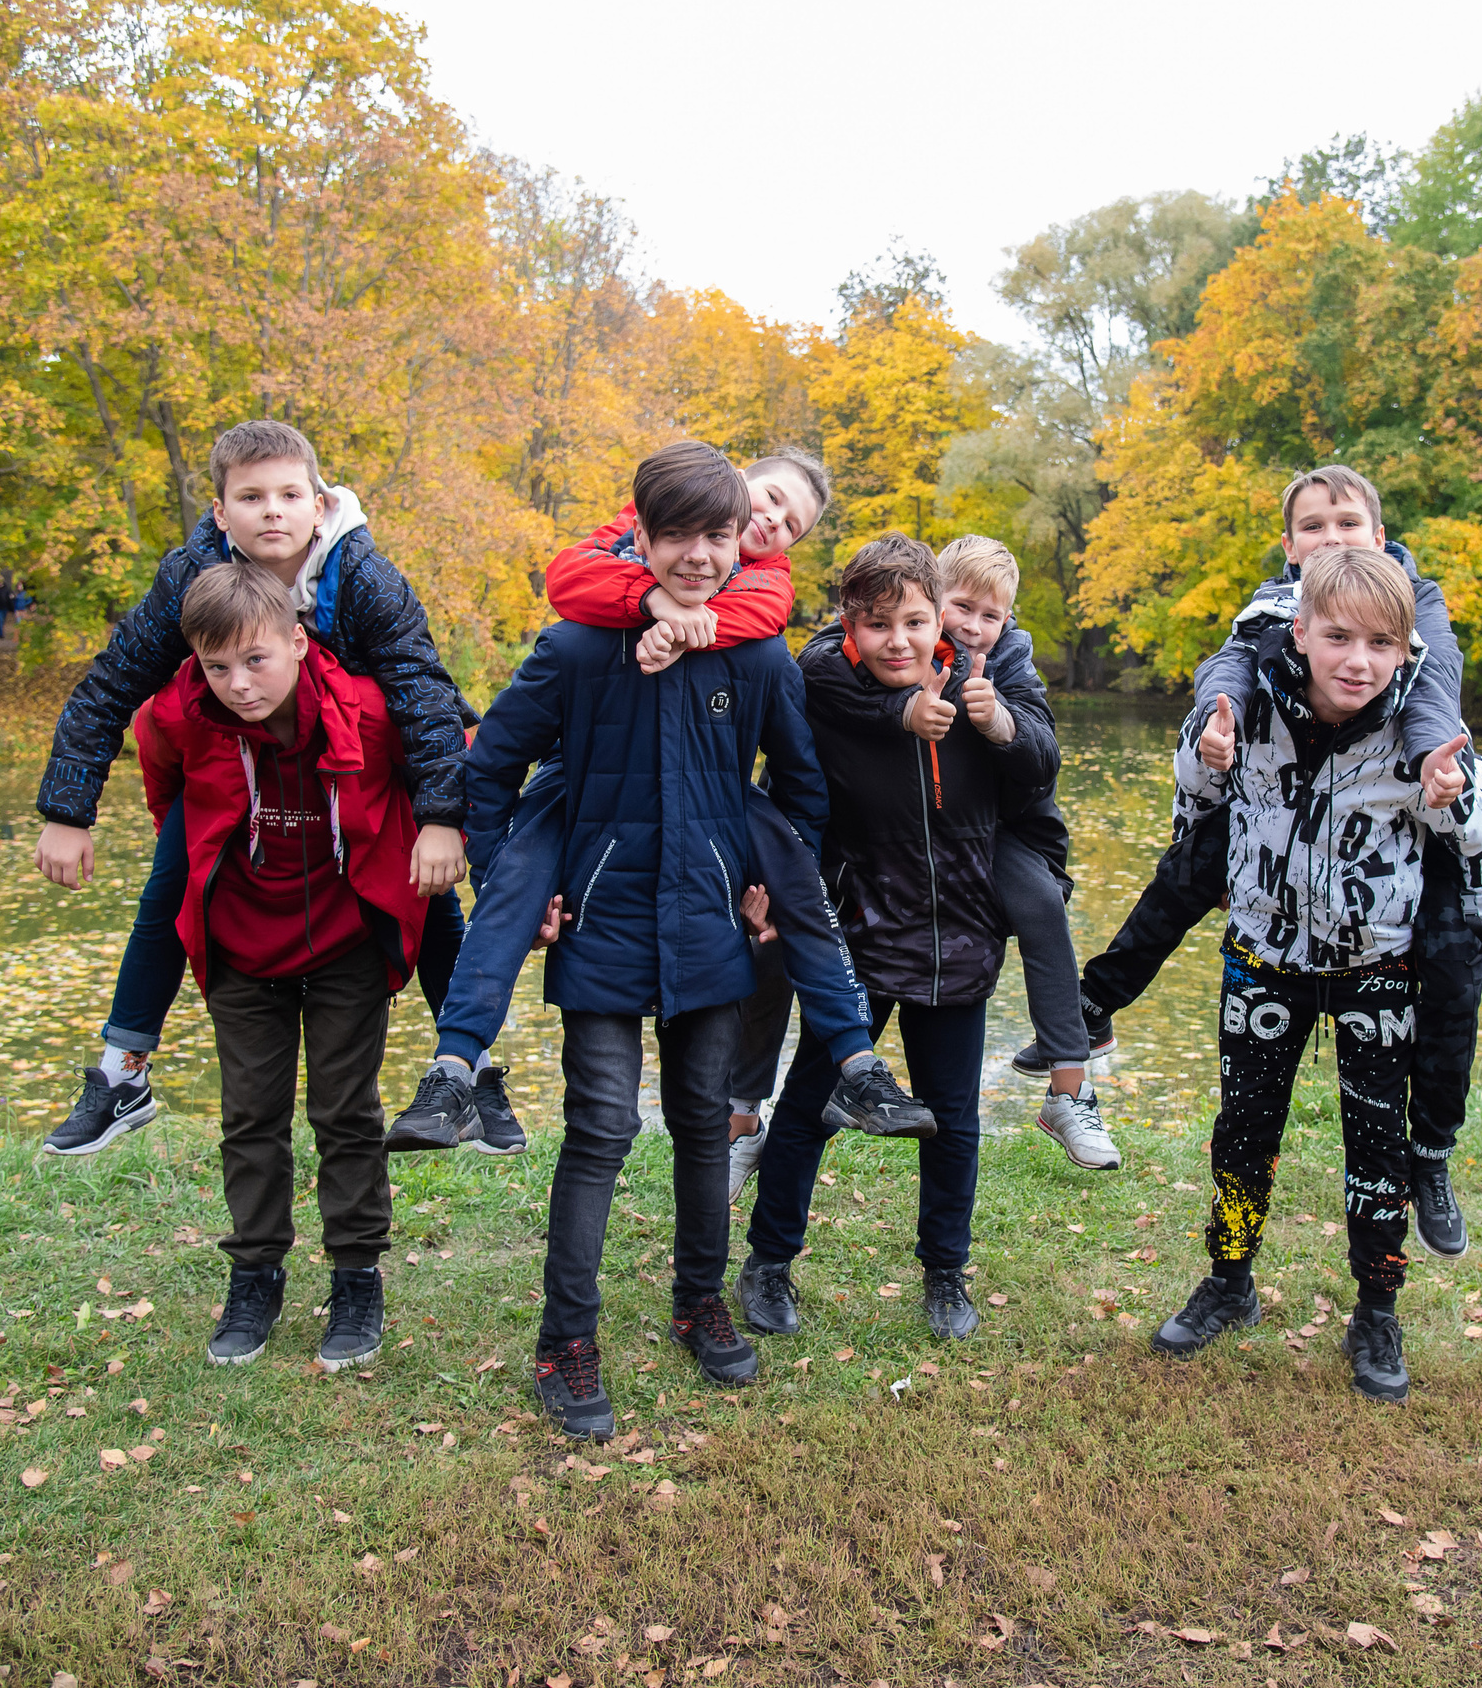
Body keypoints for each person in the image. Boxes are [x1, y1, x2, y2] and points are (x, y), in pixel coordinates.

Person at [382, 448, 932, 1160]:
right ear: (731, 487)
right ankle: (455, 1069)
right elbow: (569, 579)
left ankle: (857, 1065)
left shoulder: (764, 586)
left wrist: (685, 625)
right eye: (765, 497)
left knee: (797, 867)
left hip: (712, 790)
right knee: (514, 880)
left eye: (788, 522)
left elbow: (763, 630)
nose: (770, 520)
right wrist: (656, 603)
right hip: (584, 779)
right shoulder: (646, 537)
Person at [1030, 466, 1482, 1258]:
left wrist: (1433, 765)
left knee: (1452, 975)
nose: (1332, 539)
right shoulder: (1272, 612)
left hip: (1406, 831)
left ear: (1382, 541)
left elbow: (1434, 695)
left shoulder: (1414, 614)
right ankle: (1092, 1009)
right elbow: (1225, 672)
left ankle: (1429, 1158)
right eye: (1313, 528)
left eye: (1348, 525)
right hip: (1273, 832)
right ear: (1289, 551)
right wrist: (1216, 740)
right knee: (1184, 878)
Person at [458, 440, 825, 1439]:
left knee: (706, 1120)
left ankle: (697, 1296)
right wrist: (510, 885)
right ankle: (564, 1337)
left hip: (709, 924)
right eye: (678, 537)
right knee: (602, 1127)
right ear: (643, 536)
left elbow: (800, 790)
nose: (700, 556)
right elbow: (488, 770)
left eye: (717, 536)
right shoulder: (579, 645)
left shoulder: (754, 654)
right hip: (604, 922)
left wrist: (769, 887)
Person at [31, 419, 478, 1158]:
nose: (272, 510)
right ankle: (123, 1071)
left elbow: (421, 691)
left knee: (425, 886)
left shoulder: (363, 576)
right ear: (220, 511)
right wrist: (66, 811)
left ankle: (471, 1069)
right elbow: (113, 683)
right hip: (241, 758)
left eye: (288, 494)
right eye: (251, 496)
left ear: (320, 502)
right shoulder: (192, 574)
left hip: (357, 753)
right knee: (173, 882)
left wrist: (440, 815)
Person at [1145, 546, 1482, 1404]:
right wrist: (1207, 754)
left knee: (1377, 1152)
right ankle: (1228, 1280)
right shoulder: (1249, 706)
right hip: (1263, 959)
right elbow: (1195, 803)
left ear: (1406, 651)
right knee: (1243, 1132)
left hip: (1378, 969)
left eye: (1381, 643)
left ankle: (1377, 1307)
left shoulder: (1428, 729)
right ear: (1301, 631)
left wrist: (1474, 953)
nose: (1358, 659)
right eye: (1339, 636)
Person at [735, 534, 1057, 1344]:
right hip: (861, 934)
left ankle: (945, 1272)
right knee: (809, 1102)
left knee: (953, 1118)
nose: (900, 640)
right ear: (850, 623)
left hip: (961, 936)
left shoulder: (989, 678)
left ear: (939, 620)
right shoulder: (825, 687)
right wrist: (770, 878)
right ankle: (767, 1262)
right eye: (879, 624)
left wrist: (1001, 727)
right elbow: (785, 789)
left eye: (915, 621)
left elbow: (1041, 769)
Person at [133, 561, 425, 1371]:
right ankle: (254, 1274)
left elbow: (442, 766)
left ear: (298, 641)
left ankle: (356, 1274)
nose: (237, 683)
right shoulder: (180, 715)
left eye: (255, 660)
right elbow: (168, 799)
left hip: (346, 944)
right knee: (250, 1115)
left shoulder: (368, 712)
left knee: (345, 1110)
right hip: (240, 946)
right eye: (216, 666)